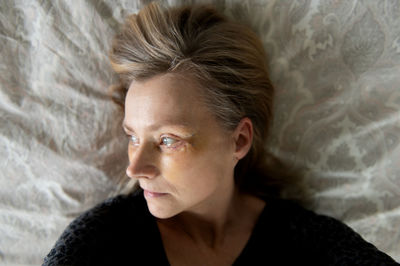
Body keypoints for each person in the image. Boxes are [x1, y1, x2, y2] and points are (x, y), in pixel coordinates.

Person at [43, 2, 399, 265]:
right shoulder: (100, 243)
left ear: (240, 140)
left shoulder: (310, 244)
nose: (135, 169)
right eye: (133, 136)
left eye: (168, 140)